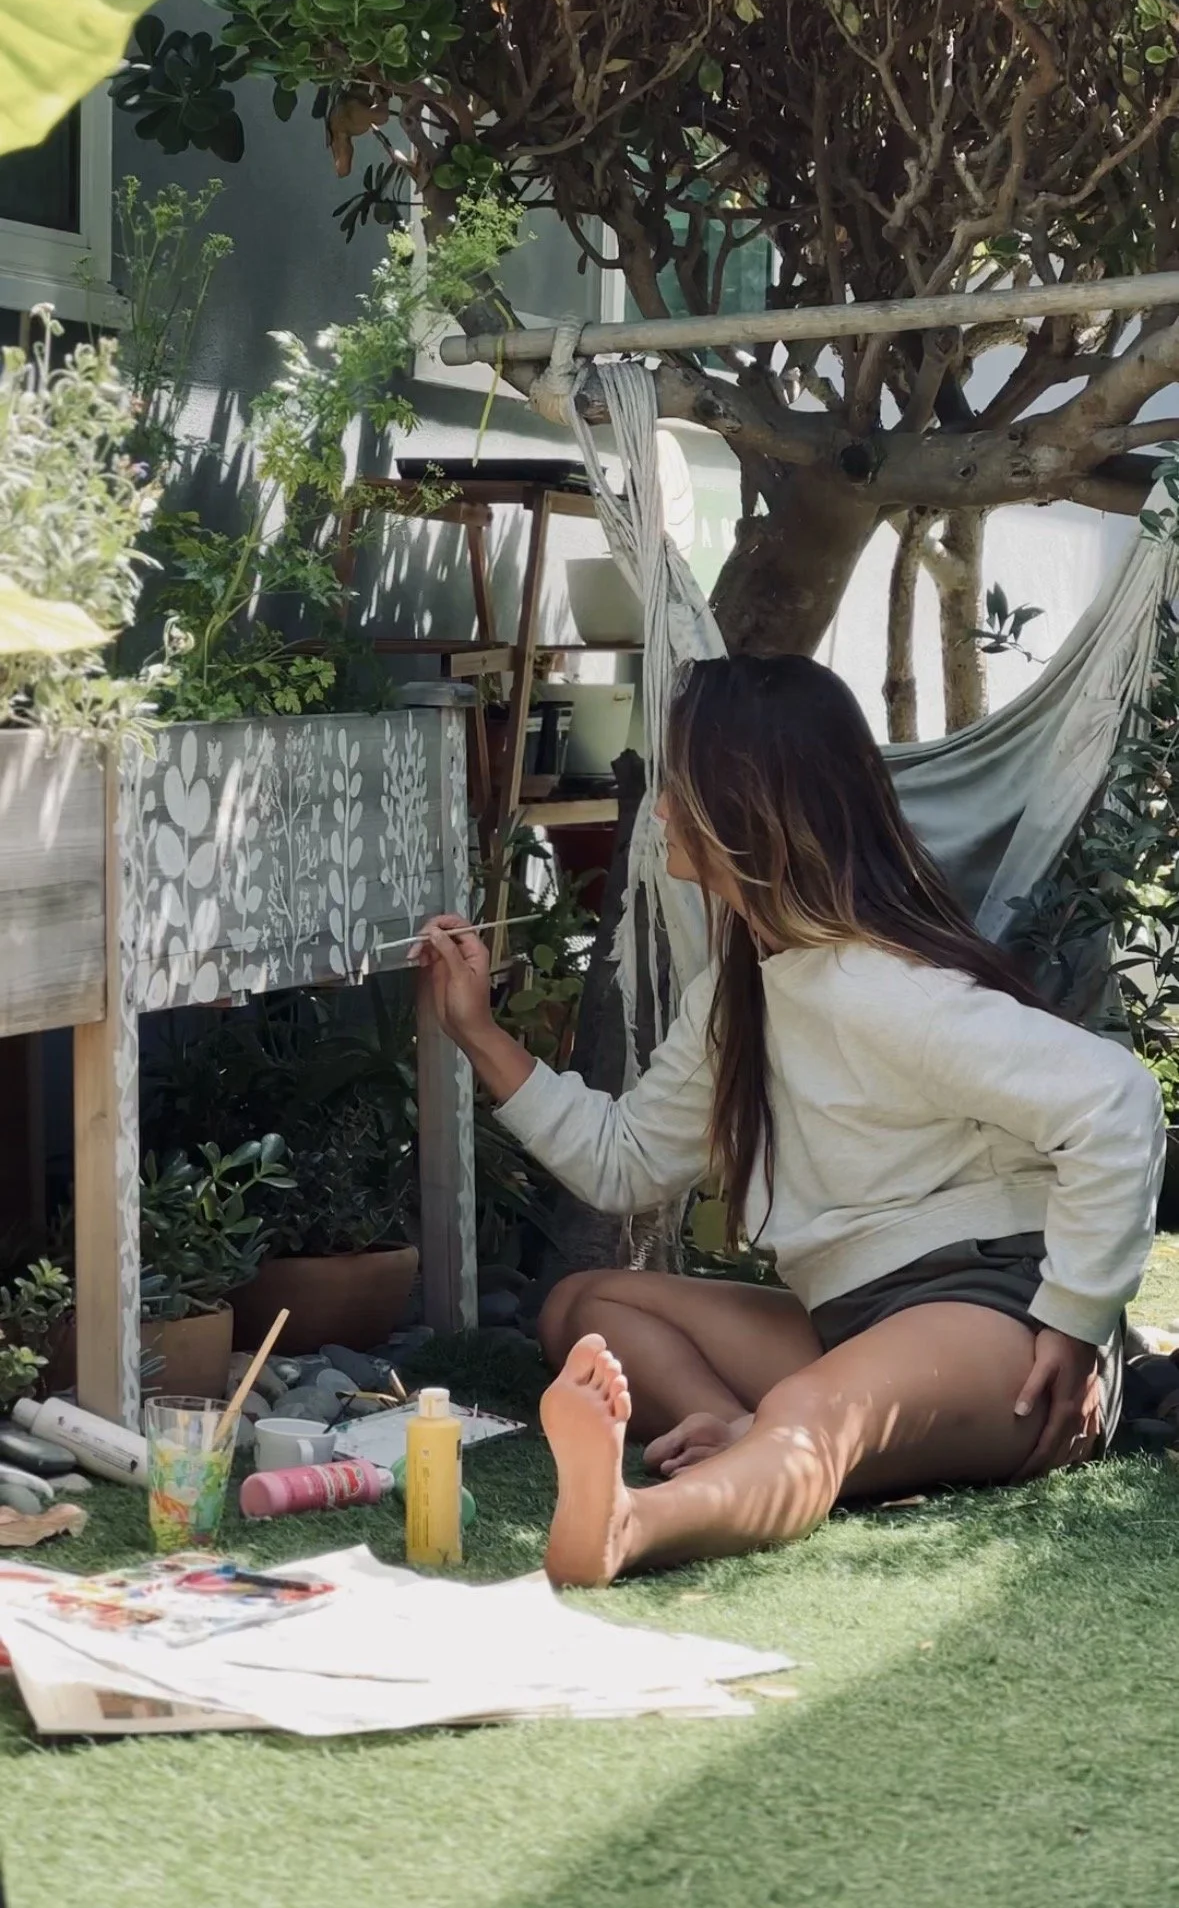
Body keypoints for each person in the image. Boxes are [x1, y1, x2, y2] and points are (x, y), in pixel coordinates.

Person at [415, 653, 1164, 1587]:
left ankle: (630, 1525)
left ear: (743, 807)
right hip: (852, 1317)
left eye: (680, 788)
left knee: (814, 1417)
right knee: (583, 1307)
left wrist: (1072, 1319)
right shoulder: (742, 991)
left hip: (995, 1315)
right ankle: (737, 1434)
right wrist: (478, 1033)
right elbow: (627, 1160)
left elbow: (1116, 1099)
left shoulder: (881, 985)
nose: (659, 810)